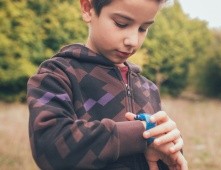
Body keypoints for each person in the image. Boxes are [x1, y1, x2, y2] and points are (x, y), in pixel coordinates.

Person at [26, 0, 187, 169]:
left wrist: (170, 147)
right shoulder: (58, 74)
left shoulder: (149, 88)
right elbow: (51, 147)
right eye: (121, 23)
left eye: (143, 28)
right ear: (88, 9)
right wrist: (142, 132)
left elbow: (154, 152)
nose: (132, 41)